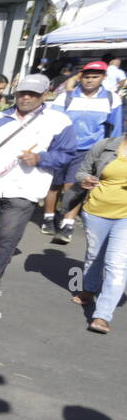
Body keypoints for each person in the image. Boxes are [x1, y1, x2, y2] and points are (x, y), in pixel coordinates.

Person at [0, 73, 79, 300]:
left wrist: (41, 159)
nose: (26, 98)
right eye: (22, 93)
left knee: (6, 237)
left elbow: (68, 154)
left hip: (25, 190)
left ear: (44, 95)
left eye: (33, 94)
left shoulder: (58, 121)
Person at [47, 60, 123, 244]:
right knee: (54, 185)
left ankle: (67, 223)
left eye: (95, 77)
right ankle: (49, 218)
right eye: (87, 76)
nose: (90, 80)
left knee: (74, 185)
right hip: (62, 148)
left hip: (89, 150)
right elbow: (52, 122)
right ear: (81, 77)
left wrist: (113, 152)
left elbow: (116, 128)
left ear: (103, 78)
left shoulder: (112, 99)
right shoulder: (66, 97)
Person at [72, 133, 127, 334]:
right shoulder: (105, 146)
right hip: (97, 211)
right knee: (95, 256)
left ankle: (102, 316)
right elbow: (82, 171)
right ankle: (89, 289)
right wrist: (85, 180)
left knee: (116, 263)